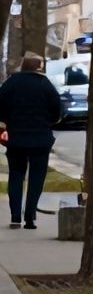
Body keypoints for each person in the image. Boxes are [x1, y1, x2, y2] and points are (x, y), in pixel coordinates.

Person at [0, 54, 65, 231]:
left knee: (16, 175)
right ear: (39, 67)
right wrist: (48, 121)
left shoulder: (11, 83)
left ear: (23, 66)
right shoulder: (45, 85)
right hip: (40, 139)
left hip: (16, 138)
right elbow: (57, 109)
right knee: (36, 176)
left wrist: (9, 121)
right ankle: (30, 217)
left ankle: (15, 216)